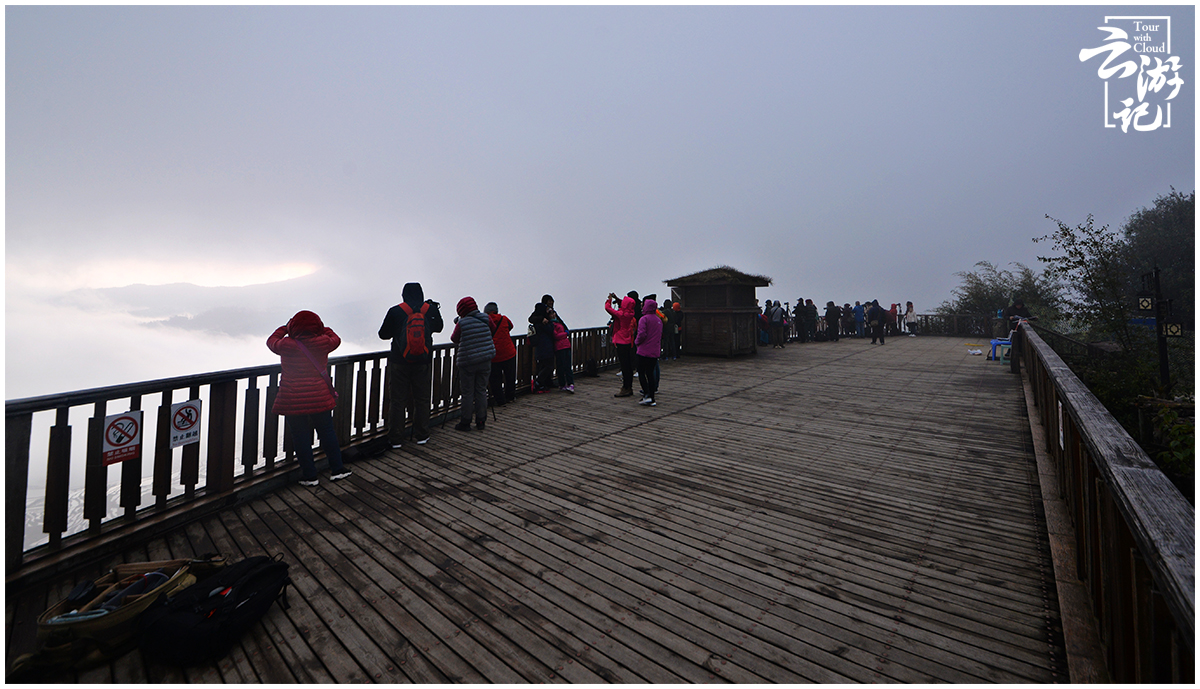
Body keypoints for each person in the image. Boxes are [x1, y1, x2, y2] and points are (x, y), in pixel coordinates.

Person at [268, 310, 351, 486]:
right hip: (319, 397)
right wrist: (322, 328)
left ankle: (310, 476)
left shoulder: (286, 345)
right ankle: (337, 470)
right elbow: (335, 337)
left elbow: (271, 341)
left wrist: (286, 327)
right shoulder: (323, 343)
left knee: (300, 437)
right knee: (327, 433)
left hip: (293, 398)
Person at [378, 283, 444, 448]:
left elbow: (383, 334)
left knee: (398, 400)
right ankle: (422, 435)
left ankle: (396, 439)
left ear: (403, 295)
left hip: (399, 362)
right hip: (423, 361)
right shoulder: (430, 310)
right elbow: (440, 328)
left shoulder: (396, 311)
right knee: (422, 399)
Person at [450, 297, 496, 431]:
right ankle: (481, 421)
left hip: (468, 361)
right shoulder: (486, 318)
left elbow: (454, 339)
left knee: (467, 393)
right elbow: (492, 330)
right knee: (481, 390)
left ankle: (465, 422)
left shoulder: (462, 323)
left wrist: (458, 323)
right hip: (485, 359)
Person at [605, 291, 638, 397]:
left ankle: (626, 388)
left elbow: (608, 308)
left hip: (621, 341)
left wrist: (609, 299)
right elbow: (623, 305)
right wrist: (617, 298)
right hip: (628, 341)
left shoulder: (621, 314)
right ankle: (629, 387)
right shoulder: (630, 313)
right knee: (628, 366)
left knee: (625, 366)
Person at [484, 302, 517, 406]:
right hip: (509, 352)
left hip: (494, 354)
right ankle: (510, 397)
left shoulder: (486, 321)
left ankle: (500, 400)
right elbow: (511, 326)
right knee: (510, 376)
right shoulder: (504, 319)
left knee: (495, 379)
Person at [634, 295, 663, 406]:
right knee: (650, 374)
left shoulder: (644, 319)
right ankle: (652, 396)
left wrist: (637, 342)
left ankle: (646, 394)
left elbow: (641, 334)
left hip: (643, 351)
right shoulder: (658, 320)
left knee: (641, 372)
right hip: (654, 351)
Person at [528, 302, 556, 393]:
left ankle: (541, 385)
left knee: (542, 366)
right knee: (549, 366)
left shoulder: (536, 320)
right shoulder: (543, 321)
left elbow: (531, 318)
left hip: (540, 347)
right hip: (546, 346)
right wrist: (551, 321)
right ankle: (538, 382)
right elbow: (550, 330)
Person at [550, 308, 575, 392]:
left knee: (567, 365)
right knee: (560, 366)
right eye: (551, 314)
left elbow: (561, 333)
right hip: (559, 347)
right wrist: (565, 334)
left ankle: (570, 383)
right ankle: (562, 383)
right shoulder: (551, 324)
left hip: (566, 345)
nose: (553, 315)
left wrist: (564, 333)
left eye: (554, 313)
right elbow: (556, 336)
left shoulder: (559, 323)